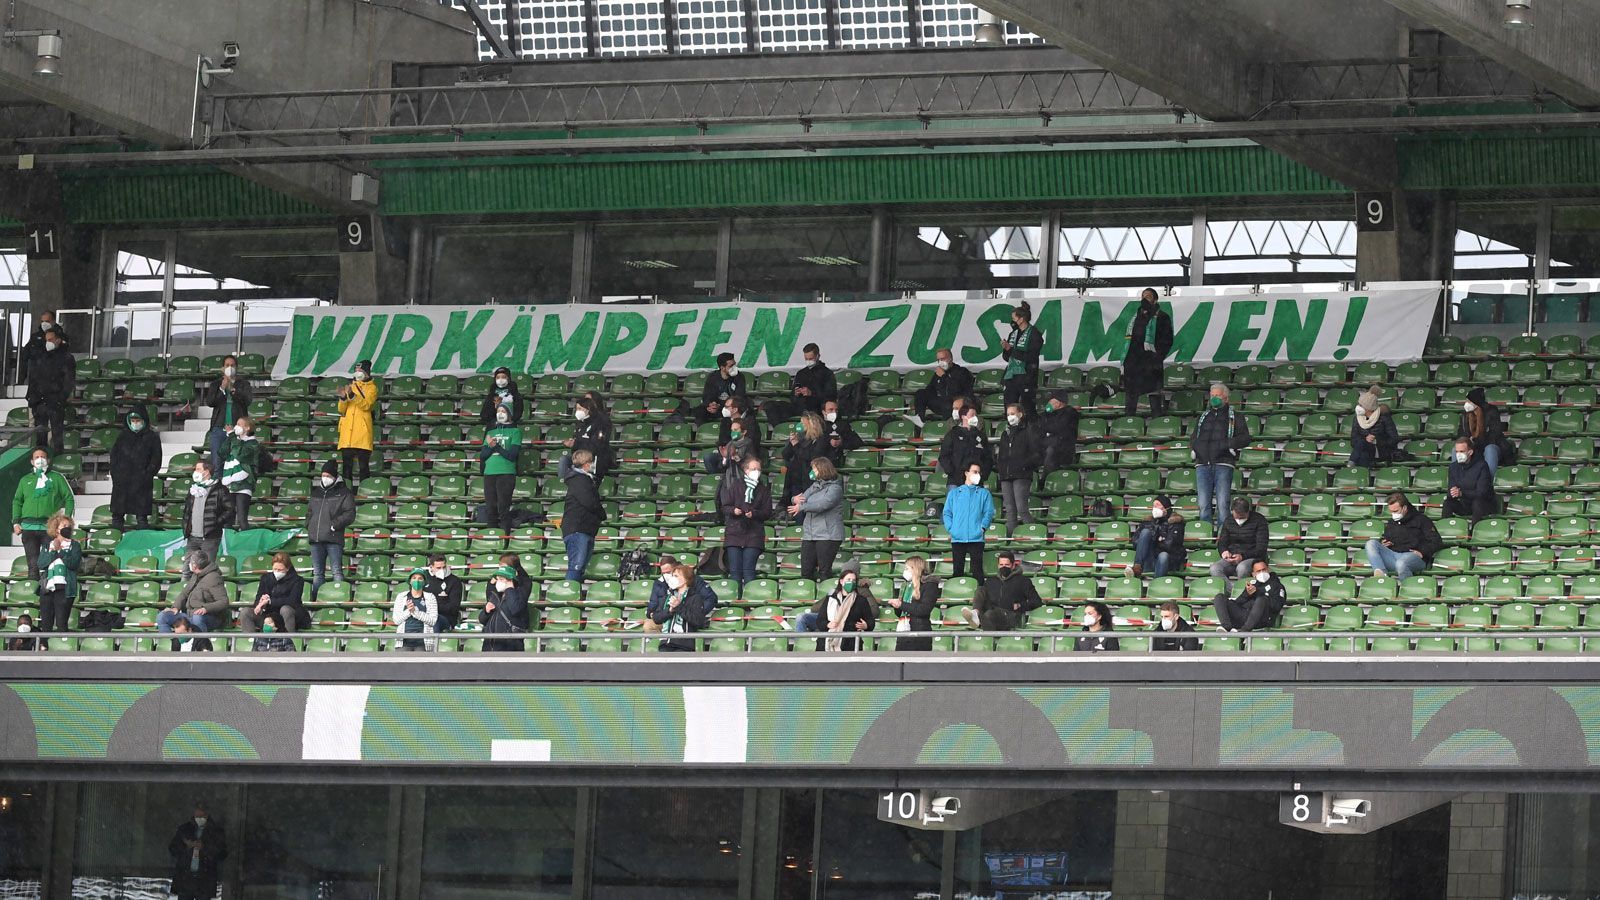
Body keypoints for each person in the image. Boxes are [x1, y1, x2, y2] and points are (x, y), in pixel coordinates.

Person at [1190, 383, 1250, 529]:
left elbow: (1245, 438)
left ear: (1226, 397)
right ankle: (1206, 533)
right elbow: (1193, 437)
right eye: (1212, 395)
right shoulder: (1203, 417)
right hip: (1202, 464)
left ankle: (1224, 536)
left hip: (1223, 463)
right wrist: (1196, 449)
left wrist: (1228, 445)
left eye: (1217, 395)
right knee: (1203, 504)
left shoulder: (1235, 417)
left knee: (1223, 503)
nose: (1214, 398)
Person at [11, 448, 74, 582]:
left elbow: (69, 498)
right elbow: (17, 502)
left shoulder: (57, 478)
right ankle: (34, 596)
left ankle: (48, 593)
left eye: (43, 457)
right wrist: (16, 522)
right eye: (37, 457)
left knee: (50, 563)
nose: (40, 459)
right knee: (32, 566)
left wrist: (66, 522)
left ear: (48, 460)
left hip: (50, 528)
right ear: (32, 461)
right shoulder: (25, 480)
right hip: (28, 528)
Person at [793, 559, 877, 643]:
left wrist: (855, 615)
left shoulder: (863, 592)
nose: (850, 582)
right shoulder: (833, 592)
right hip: (831, 621)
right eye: (847, 579)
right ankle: (800, 644)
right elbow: (815, 608)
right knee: (801, 617)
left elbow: (874, 610)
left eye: (853, 580)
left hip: (849, 624)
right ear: (841, 580)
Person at [719, 455, 772, 588]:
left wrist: (753, 514)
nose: (757, 472)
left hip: (754, 534)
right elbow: (724, 507)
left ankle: (749, 600)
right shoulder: (735, 486)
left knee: (749, 571)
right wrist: (734, 511)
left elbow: (767, 513)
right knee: (735, 573)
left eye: (759, 469)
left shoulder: (764, 490)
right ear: (746, 470)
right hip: (734, 534)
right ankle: (735, 601)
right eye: (753, 468)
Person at [306, 460, 355, 602]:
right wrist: (309, 525)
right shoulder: (316, 492)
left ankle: (338, 598)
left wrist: (334, 525)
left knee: (336, 571)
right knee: (317, 574)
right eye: (323, 474)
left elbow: (349, 513)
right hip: (315, 539)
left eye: (327, 475)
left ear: (334, 476)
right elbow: (309, 512)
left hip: (334, 538)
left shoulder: (344, 493)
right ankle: (317, 601)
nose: (324, 477)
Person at [1366, 492, 1443, 581]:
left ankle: (1406, 589)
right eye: (1391, 511)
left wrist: (1422, 551)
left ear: (1405, 508)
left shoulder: (1422, 520)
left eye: (1395, 511)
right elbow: (1386, 537)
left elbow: (1436, 540)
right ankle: (1381, 574)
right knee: (1371, 543)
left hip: (1413, 557)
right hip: (1393, 555)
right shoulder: (1392, 522)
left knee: (1401, 563)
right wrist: (1385, 542)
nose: (1393, 514)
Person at [791, 457, 844, 580]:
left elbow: (822, 505)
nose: (812, 471)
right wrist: (794, 499)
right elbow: (802, 498)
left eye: (814, 468)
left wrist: (802, 507)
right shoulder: (814, 486)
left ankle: (827, 598)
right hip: (810, 534)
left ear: (823, 469)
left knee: (824, 570)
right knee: (806, 571)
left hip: (828, 535)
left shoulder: (835, 489)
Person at [24, 323, 74, 456]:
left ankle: (58, 459)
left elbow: (69, 381)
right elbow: (34, 377)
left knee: (57, 433)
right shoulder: (41, 357)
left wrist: (60, 398)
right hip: (39, 401)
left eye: (51, 340)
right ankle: (41, 459)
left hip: (55, 401)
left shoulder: (66, 357)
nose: (48, 343)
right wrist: (31, 396)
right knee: (40, 434)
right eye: (47, 340)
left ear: (58, 340)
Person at [109, 405, 161, 531]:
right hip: (122, 480)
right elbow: (114, 456)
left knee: (141, 518)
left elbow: (156, 458)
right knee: (117, 515)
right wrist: (116, 474)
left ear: (144, 421)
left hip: (142, 480)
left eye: (138, 421)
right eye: (133, 421)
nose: (135, 423)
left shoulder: (152, 437)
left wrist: (147, 474)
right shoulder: (122, 437)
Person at [1123, 288, 1174, 415]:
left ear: (1155, 300)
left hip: (1151, 362)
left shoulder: (1162, 317)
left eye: (1149, 296)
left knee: (1154, 397)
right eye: (1143, 296)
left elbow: (1167, 340)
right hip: (1134, 361)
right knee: (1131, 397)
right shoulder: (1135, 317)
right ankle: (1129, 423)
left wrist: (1157, 357)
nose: (1145, 298)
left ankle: (1157, 425)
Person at [963, 549, 1041, 631]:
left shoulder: (1023, 581)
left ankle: (985, 634)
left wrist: (1020, 605)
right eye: (1001, 564)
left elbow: (1037, 601)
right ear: (998, 565)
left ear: (1013, 565)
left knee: (989, 614)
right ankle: (975, 613)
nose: (1003, 567)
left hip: (1011, 616)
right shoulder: (990, 581)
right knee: (981, 589)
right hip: (991, 613)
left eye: (1007, 565)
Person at [942, 462, 994, 582]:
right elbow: (947, 513)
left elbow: (989, 512)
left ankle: (979, 597)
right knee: (957, 570)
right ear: (966, 473)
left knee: (977, 572)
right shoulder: (954, 493)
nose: (977, 475)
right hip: (957, 538)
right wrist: (951, 529)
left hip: (976, 538)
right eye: (974, 472)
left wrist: (983, 528)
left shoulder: (984, 493)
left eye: (979, 472)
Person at [157, 550, 229, 635]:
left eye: (190, 562)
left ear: (194, 566)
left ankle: (200, 645)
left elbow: (224, 602)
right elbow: (184, 593)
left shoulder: (214, 578)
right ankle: (170, 643)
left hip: (211, 617)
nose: (188, 564)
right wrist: (175, 607)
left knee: (197, 618)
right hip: (189, 614)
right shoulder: (195, 575)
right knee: (163, 616)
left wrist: (205, 609)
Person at [35, 515, 80, 649]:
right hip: (48, 588)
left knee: (61, 623)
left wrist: (60, 550)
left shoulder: (75, 545)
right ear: (55, 529)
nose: (67, 528)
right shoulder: (46, 545)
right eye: (63, 526)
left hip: (65, 588)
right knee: (46, 623)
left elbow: (73, 564)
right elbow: (41, 564)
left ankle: (61, 650)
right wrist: (53, 550)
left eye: (68, 526)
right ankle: (44, 649)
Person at [994, 403, 1039, 536]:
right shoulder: (1005, 434)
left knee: (1022, 509)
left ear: (1020, 414)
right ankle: (1010, 540)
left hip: (1022, 475)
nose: (1010, 417)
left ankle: (1035, 534)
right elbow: (1001, 454)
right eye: (1008, 414)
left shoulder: (1029, 430)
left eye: (1012, 413)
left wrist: (1025, 465)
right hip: (1006, 475)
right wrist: (1000, 468)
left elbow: (1036, 453)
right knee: (1010, 510)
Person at [239, 552, 309, 635]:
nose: (277, 572)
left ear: (287, 568)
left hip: (287, 615)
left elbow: (292, 600)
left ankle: (288, 641)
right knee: (245, 612)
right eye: (275, 569)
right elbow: (259, 596)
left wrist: (270, 601)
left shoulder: (297, 580)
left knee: (286, 609)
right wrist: (260, 604)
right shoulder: (265, 578)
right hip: (268, 615)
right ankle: (250, 642)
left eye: (280, 570)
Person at [202, 354, 252, 471]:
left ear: (237, 368)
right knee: (217, 462)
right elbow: (210, 402)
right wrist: (222, 389)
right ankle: (219, 488)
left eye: (232, 365)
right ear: (222, 368)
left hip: (238, 428)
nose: (230, 367)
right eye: (227, 365)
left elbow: (247, 400)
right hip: (219, 428)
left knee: (237, 461)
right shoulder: (215, 384)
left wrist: (234, 390)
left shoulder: (244, 384)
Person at [561, 449, 605, 581]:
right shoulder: (579, 480)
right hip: (578, 529)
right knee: (576, 566)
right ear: (586, 463)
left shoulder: (583, 479)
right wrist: (602, 514)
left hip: (584, 528)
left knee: (579, 567)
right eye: (591, 462)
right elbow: (589, 502)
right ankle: (569, 595)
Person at [167, 803, 226, 900]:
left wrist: (204, 847)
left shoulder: (215, 831)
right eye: (197, 815)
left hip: (205, 879)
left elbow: (222, 853)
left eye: (202, 815)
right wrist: (186, 846)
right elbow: (173, 848)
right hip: (186, 878)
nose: (199, 817)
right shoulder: (185, 829)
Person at [650, 563, 714, 651]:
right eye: (673, 576)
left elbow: (697, 620)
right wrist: (669, 611)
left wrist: (679, 606)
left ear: (685, 579)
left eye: (676, 576)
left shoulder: (695, 598)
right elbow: (656, 618)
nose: (672, 578)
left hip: (684, 645)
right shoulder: (668, 596)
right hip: (666, 642)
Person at [1212, 559, 1287, 632]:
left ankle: (1244, 631)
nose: (1262, 573)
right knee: (1220, 597)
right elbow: (1238, 602)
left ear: (1268, 570)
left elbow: (1277, 606)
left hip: (1262, 619)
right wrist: (1246, 594)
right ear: (1253, 574)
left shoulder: (1277, 586)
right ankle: (1226, 626)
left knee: (1262, 599)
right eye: (1258, 571)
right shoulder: (1252, 586)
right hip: (1244, 616)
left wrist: (1258, 593)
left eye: (1264, 570)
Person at [182, 460, 229, 574]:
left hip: (210, 537)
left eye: (198, 469)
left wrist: (215, 523)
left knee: (206, 570)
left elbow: (230, 510)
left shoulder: (220, 489)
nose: (195, 472)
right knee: (187, 570)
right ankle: (186, 590)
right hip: (192, 537)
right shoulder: (193, 489)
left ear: (207, 472)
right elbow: (187, 510)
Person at [1209, 497, 1268, 588]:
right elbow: (1222, 542)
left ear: (1247, 511)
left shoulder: (1259, 520)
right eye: (1237, 515)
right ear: (1232, 511)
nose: (1239, 518)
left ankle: (1243, 591)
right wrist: (1224, 552)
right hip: (1232, 556)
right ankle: (1232, 591)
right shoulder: (1228, 520)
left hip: (1252, 558)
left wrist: (1242, 557)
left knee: (1242, 568)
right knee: (1215, 568)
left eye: (1242, 516)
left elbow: (1261, 548)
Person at [480, 402, 522, 531]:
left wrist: (495, 446)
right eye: (499, 411)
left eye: (503, 411)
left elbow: (512, 455)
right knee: (490, 506)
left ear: (509, 414)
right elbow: (483, 455)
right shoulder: (491, 432)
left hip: (506, 472)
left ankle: (505, 536)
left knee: (503, 506)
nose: (500, 414)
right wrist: (492, 447)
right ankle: (491, 535)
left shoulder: (515, 432)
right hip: (489, 472)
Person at [336, 359, 378, 486]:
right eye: (356, 370)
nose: (357, 372)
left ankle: (364, 490)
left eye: (360, 370)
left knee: (363, 466)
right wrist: (343, 397)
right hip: (347, 433)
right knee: (346, 467)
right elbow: (341, 410)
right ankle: (346, 492)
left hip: (362, 433)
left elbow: (367, 405)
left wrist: (353, 396)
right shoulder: (351, 386)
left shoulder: (372, 388)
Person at [886, 556, 939, 651]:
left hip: (919, 633)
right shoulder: (908, 586)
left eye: (907, 568)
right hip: (903, 631)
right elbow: (900, 613)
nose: (905, 571)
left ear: (915, 569)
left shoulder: (929, 585)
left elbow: (924, 610)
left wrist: (901, 605)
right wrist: (897, 606)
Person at [780, 413, 826, 519]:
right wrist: (792, 443)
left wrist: (796, 445)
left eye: (802, 422)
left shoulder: (819, 440)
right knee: (799, 513)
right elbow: (785, 455)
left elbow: (810, 457)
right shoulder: (799, 438)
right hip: (796, 480)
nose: (800, 424)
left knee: (809, 512)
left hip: (810, 480)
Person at [1442, 437, 1497, 525]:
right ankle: (1444, 529)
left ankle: (1474, 532)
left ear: (1470, 452)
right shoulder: (1453, 467)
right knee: (1448, 503)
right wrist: (1453, 492)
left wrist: (1462, 493)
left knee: (1477, 503)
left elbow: (1482, 493)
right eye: (1456, 452)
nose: (1458, 454)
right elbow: (1450, 491)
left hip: (1484, 505)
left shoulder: (1482, 466)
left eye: (1461, 451)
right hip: (1465, 505)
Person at [1458, 387, 1511, 477]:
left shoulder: (1491, 411)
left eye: (1469, 401)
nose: (1466, 403)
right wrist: (1467, 442)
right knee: (1457, 449)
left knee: (1490, 449)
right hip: (1473, 447)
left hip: (1491, 444)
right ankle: (1461, 480)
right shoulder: (1465, 415)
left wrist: (1476, 441)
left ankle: (1487, 481)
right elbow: (1461, 433)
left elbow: (1495, 434)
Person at [1131, 494, 1186, 578]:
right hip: (1150, 558)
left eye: (1158, 505)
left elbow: (1170, 545)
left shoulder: (1175, 522)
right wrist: (1153, 539)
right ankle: (1137, 566)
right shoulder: (1148, 521)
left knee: (1163, 555)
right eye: (1153, 506)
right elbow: (1135, 541)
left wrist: (1152, 541)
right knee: (1146, 532)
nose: (1155, 508)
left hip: (1168, 561)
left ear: (1166, 507)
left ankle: (1156, 584)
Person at [912, 347, 974, 423]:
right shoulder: (939, 372)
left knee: (947, 404)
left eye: (943, 359)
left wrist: (944, 376)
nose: (940, 362)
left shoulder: (962, 371)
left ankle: (949, 428)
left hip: (958, 403)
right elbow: (930, 389)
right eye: (938, 360)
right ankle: (919, 420)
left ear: (950, 359)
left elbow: (955, 390)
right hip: (943, 402)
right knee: (921, 393)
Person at [220, 416, 260, 529]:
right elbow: (222, 453)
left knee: (242, 518)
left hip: (244, 483)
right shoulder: (235, 440)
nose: (236, 426)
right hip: (230, 483)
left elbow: (241, 455)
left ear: (247, 428)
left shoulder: (253, 444)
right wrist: (229, 437)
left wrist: (233, 436)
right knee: (228, 518)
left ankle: (245, 542)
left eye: (239, 424)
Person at [1000, 302, 1041, 409]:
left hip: (1027, 377)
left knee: (1028, 408)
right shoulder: (1013, 334)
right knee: (1009, 407)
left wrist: (1011, 349)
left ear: (1021, 319)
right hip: (1011, 376)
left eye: (1014, 318)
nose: (1012, 321)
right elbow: (1006, 357)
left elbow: (1031, 357)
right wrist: (1006, 349)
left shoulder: (1035, 334)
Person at [1034, 390, 1080, 487]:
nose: (1048, 404)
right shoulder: (1045, 415)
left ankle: (1045, 482)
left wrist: (1046, 427)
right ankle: (1032, 480)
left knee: (1051, 450)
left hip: (1064, 451)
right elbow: (1037, 427)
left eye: (1051, 401)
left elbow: (1060, 427)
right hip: (1045, 447)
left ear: (1059, 402)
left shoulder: (1070, 412)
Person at [565, 394, 614, 483]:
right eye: (577, 409)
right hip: (580, 458)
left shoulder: (600, 422)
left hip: (595, 458)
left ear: (589, 408)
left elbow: (598, 445)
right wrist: (573, 444)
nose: (577, 411)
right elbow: (578, 442)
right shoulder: (580, 423)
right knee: (564, 460)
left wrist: (577, 443)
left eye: (580, 409)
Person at [1349, 384, 1402, 469]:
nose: (1358, 407)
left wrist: (1376, 441)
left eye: (1361, 405)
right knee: (1363, 450)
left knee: (1362, 452)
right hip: (1366, 450)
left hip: (1382, 451)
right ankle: (1364, 477)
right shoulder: (1357, 419)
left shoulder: (1384, 417)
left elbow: (1394, 438)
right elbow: (1353, 440)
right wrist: (1366, 439)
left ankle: (1351, 462)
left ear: (1369, 408)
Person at [938, 404, 991, 487]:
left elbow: (988, 457)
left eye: (975, 415)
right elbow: (944, 456)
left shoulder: (981, 435)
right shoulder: (953, 434)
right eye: (972, 415)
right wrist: (953, 472)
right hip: (955, 482)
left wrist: (983, 475)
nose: (975, 418)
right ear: (963, 416)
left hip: (976, 481)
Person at [480, 565, 529, 651]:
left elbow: (516, 609)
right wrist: (486, 611)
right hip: (489, 646)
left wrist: (509, 589)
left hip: (509, 647)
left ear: (511, 581)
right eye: (498, 579)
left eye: (501, 579)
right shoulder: (495, 596)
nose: (498, 582)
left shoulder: (520, 595)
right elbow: (482, 620)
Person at [393, 569, 439, 651]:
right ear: (410, 581)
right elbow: (396, 620)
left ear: (424, 582)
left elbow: (432, 621)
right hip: (403, 642)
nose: (417, 580)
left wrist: (415, 612)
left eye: (420, 578)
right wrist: (408, 611)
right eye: (414, 578)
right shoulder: (401, 596)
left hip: (423, 643)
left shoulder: (430, 597)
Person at [705, 413, 762, 481]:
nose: (733, 432)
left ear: (743, 432)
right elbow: (722, 466)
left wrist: (735, 456)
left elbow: (749, 463)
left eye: (736, 430)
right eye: (732, 430)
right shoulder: (730, 443)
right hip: (730, 473)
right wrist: (725, 458)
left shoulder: (749, 443)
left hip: (742, 475)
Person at [698, 352, 748, 423]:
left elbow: (739, 397)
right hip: (715, 408)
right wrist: (711, 405)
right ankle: (701, 432)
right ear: (722, 368)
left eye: (734, 364)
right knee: (700, 411)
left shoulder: (739, 377)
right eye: (731, 366)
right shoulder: (713, 377)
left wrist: (721, 406)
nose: (734, 368)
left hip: (730, 408)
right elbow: (706, 396)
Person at [424, 554, 465, 636]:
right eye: (438, 568)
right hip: (423, 616)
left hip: (446, 619)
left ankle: (432, 648)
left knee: (434, 619)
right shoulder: (424, 578)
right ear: (431, 567)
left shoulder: (455, 581)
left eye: (444, 567)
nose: (442, 570)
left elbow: (454, 608)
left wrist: (432, 607)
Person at [790, 342, 837, 414]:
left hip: (817, 409)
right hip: (800, 408)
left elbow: (830, 396)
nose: (808, 361)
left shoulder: (827, 373)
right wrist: (796, 393)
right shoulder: (801, 373)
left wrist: (811, 393)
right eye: (806, 359)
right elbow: (792, 396)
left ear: (818, 356)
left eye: (810, 359)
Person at [641, 555, 681, 635]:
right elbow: (653, 604)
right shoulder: (658, 583)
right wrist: (650, 613)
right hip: (663, 617)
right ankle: (660, 644)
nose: (666, 575)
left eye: (669, 572)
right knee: (648, 625)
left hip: (680, 618)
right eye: (664, 573)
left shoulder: (686, 580)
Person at [819, 398, 864, 466]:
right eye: (831, 410)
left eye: (836, 410)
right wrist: (828, 441)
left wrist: (841, 442)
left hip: (837, 461)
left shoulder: (843, 425)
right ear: (823, 412)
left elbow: (858, 442)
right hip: (819, 461)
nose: (834, 412)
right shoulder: (817, 425)